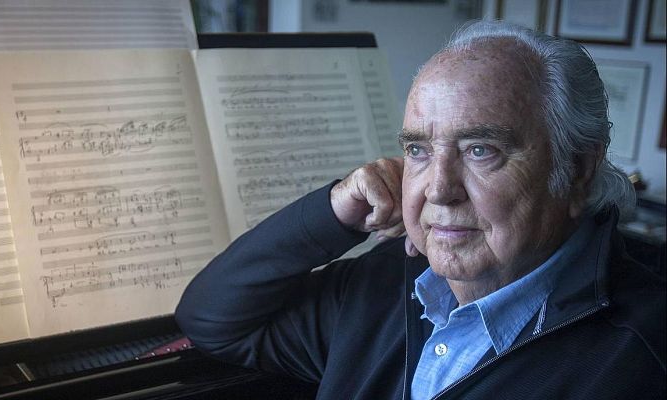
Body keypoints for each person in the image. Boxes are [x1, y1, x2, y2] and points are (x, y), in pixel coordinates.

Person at [176, 20, 666, 399]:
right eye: (418, 150)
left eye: (480, 150)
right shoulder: (390, 279)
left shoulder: (639, 359)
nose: (439, 190)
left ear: (576, 170)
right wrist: (334, 211)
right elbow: (214, 320)